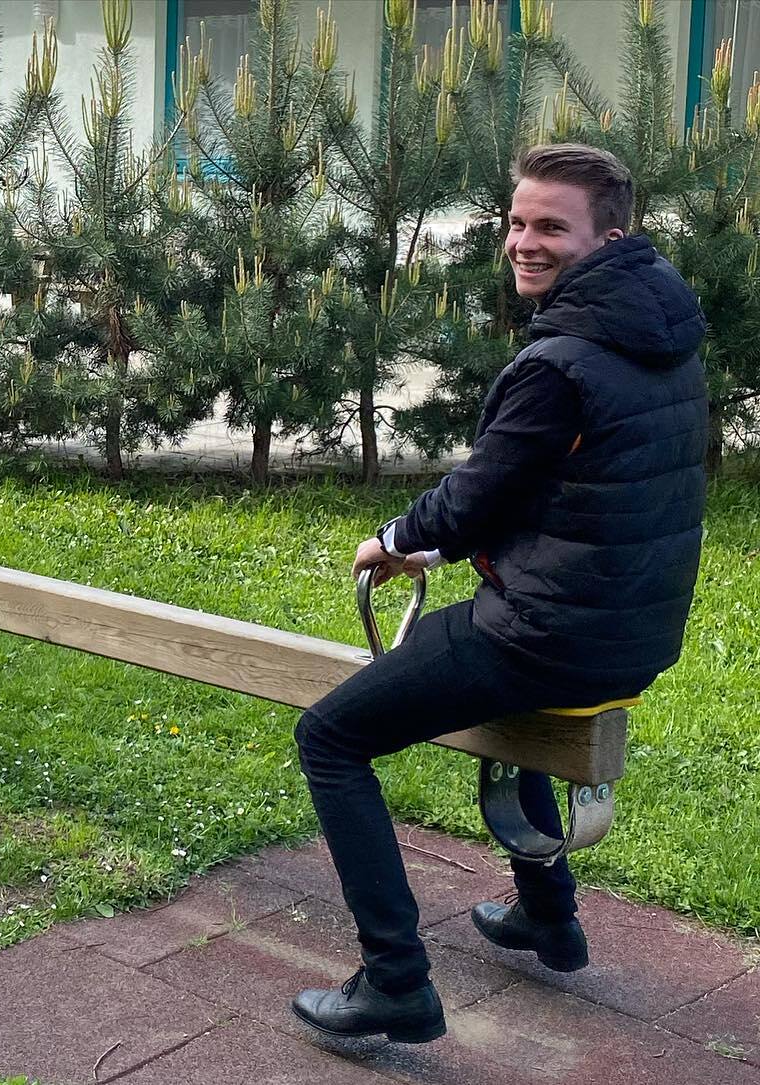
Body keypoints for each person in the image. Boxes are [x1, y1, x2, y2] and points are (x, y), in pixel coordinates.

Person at [289, 144, 708, 1044]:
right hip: (632, 630)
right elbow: (551, 488)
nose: (524, 242)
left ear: (609, 239)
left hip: (550, 632)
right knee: (479, 675)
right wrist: (447, 546)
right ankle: (548, 919)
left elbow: (479, 493)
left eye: (552, 226)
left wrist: (395, 542)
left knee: (329, 737)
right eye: (517, 222)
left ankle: (395, 983)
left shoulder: (562, 362)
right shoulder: (661, 331)